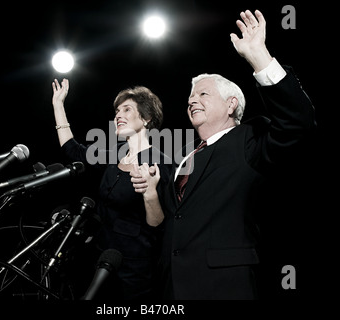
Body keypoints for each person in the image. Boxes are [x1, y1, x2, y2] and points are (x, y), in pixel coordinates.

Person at [131, 10, 316, 299]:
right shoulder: (182, 158)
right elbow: (163, 225)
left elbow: (298, 122)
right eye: (191, 97)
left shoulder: (249, 140)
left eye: (203, 94)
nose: (192, 100)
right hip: (171, 289)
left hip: (224, 287)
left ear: (231, 105)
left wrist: (259, 57)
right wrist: (152, 194)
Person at [51, 81, 172, 300]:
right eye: (117, 111)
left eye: (127, 110)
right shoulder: (114, 155)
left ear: (146, 119)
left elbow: (158, 224)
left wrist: (150, 192)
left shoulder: (160, 164)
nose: (118, 115)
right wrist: (58, 104)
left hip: (135, 273)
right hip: (100, 260)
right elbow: (73, 150)